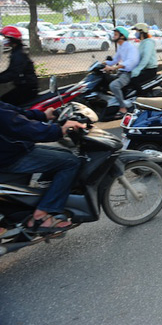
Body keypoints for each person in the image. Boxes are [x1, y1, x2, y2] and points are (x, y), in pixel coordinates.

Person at [0, 101, 85, 233]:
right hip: (10, 157)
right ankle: (42, 215)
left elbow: (14, 112)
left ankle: (45, 193)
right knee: (70, 162)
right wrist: (58, 130)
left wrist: (42, 115)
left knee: (65, 153)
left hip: (13, 150)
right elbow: (18, 125)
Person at [104, 26, 140, 118]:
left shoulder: (130, 47)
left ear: (122, 36)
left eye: (116, 35)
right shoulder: (121, 47)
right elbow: (115, 60)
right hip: (121, 72)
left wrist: (115, 68)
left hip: (128, 73)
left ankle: (123, 107)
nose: (114, 36)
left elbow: (131, 62)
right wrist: (103, 63)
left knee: (114, 85)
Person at [0, 26, 39, 106]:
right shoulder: (17, 52)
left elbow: (13, 73)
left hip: (27, 89)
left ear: (12, 39)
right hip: (24, 87)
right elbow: (10, 71)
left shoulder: (19, 55)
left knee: (3, 105)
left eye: (6, 38)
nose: (4, 40)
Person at [129, 23, 158, 92]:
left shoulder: (149, 43)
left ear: (142, 32)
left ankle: (140, 98)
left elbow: (146, 58)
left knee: (134, 79)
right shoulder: (142, 42)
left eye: (137, 31)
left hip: (150, 70)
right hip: (144, 69)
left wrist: (138, 69)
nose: (135, 33)